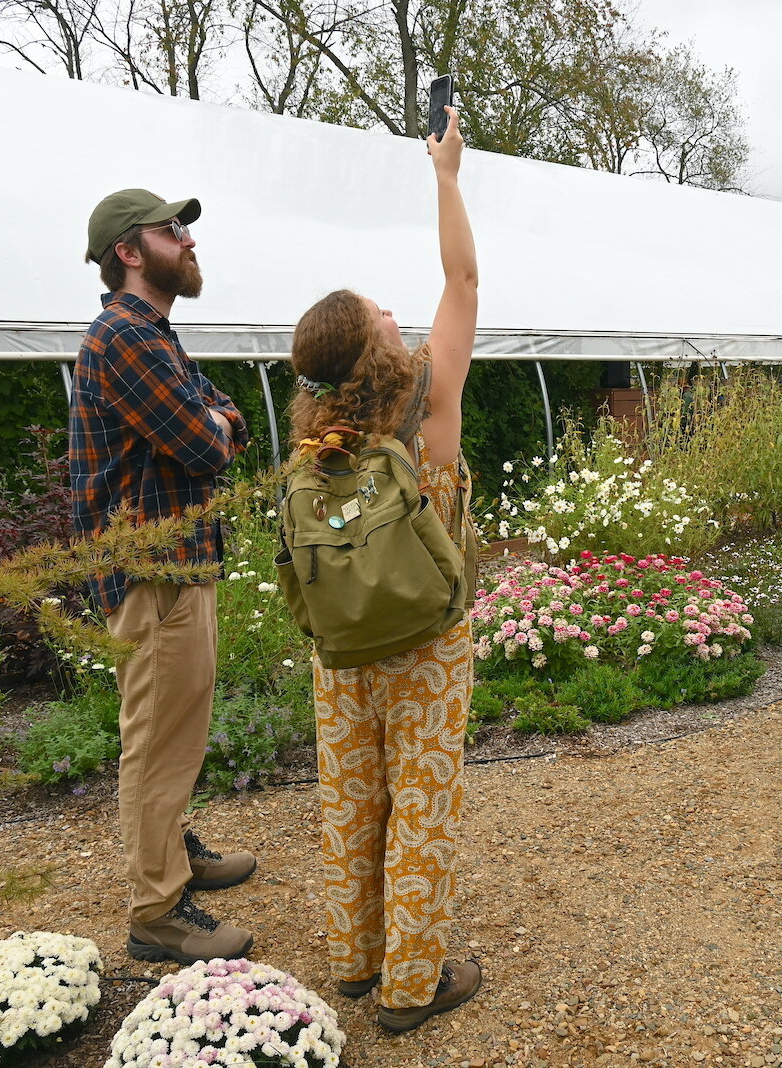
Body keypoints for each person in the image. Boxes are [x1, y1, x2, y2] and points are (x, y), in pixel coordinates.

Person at [286, 106, 482, 1032]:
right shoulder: (428, 405)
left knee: (352, 800)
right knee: (422, 807)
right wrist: (445, 173)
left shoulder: (312, 447)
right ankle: (413, 985)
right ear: (378, 350)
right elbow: (464, 278)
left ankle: (356, 961)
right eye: (381, 314)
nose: (396, 311)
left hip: (342, 655)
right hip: (428, 645)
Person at [72, 189, 259, 963]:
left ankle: (173, 855)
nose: (188, 241)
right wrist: (214, 421)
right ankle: (156, 910)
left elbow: (227, 416)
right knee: (155, 739)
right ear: (129, 251)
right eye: (172, 230)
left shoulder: (154, 336)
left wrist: (215, 419)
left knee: (176, 730)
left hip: (177, 566)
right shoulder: (127, 339)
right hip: (152, 576)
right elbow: (210, 441)